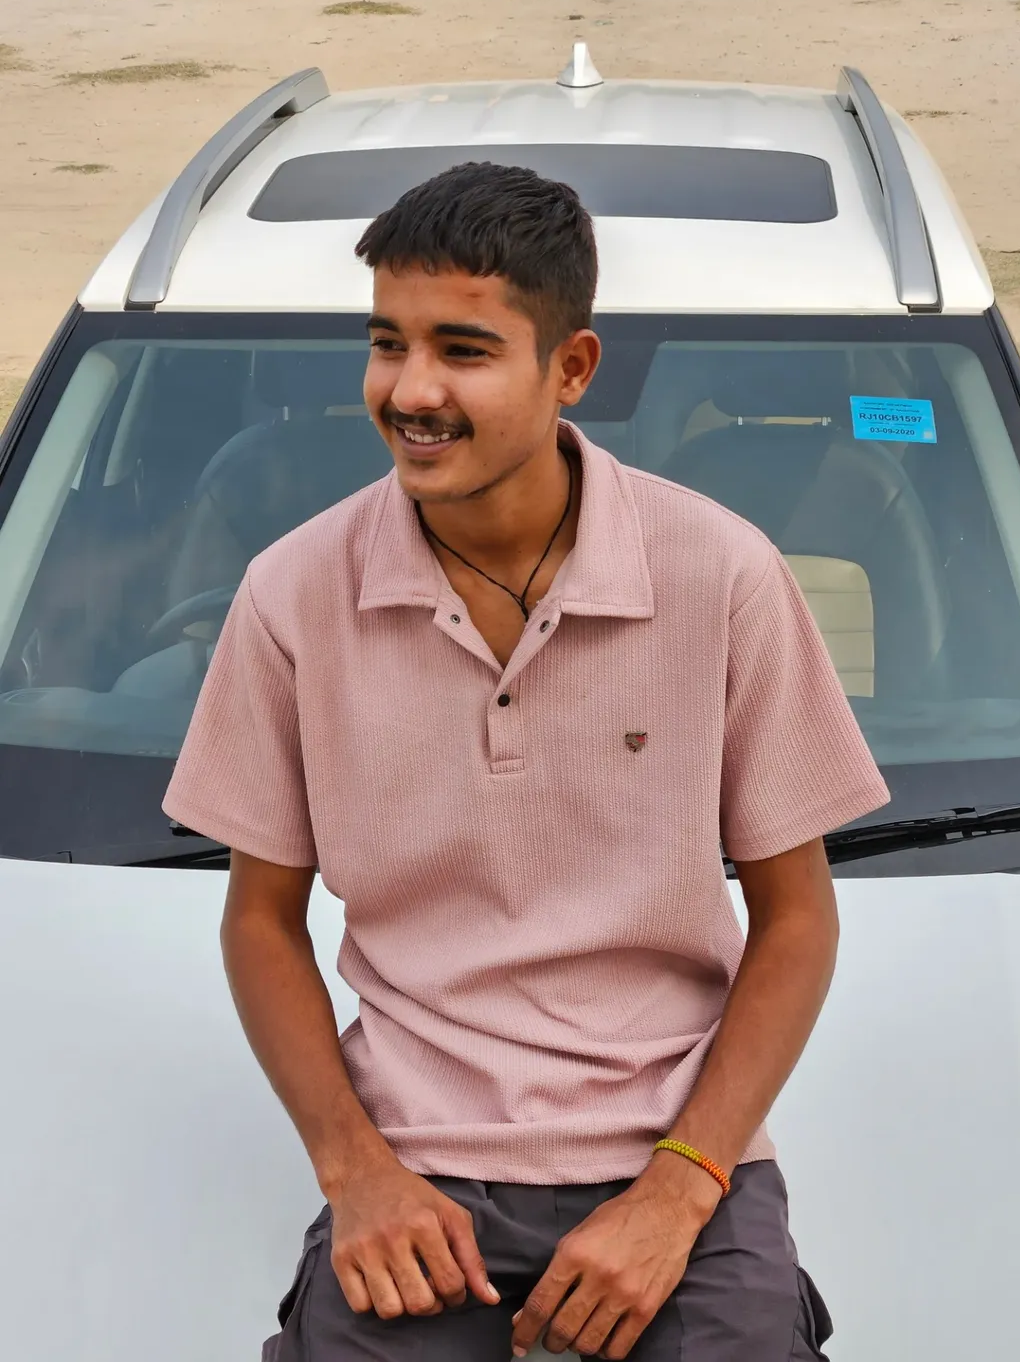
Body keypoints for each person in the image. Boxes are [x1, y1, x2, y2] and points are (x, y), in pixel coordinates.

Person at [164, 161, 889, 1362]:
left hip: (678, 1160)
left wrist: (680, 1191)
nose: (411, 390)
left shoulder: (723, 576)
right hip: (410, 1167)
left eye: (463, 350)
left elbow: (798, 918)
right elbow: (259, 919)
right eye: (386, 344)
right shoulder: (292, 594)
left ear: (572, 368)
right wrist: (356, 1174)